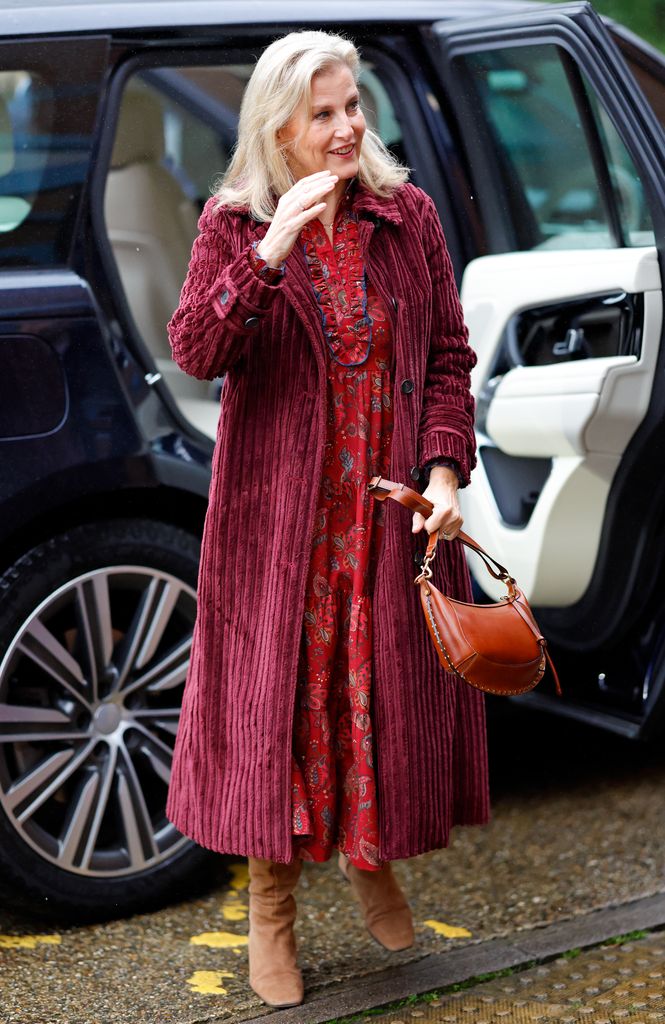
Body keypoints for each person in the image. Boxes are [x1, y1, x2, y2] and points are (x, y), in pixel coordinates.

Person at [165, 29, 490, 1009]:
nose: (349, 126)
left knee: (376, 705)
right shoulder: (232, 224)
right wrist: (270, 248)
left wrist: (442, 469)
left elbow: (446, 356)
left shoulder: (407, 216)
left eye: (354, 107)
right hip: (281, 531)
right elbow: (194, 347)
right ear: (279, 127)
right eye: (325, 113)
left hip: (386, 519)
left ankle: (370, 857)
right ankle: (271, 910)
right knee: (289, 718)